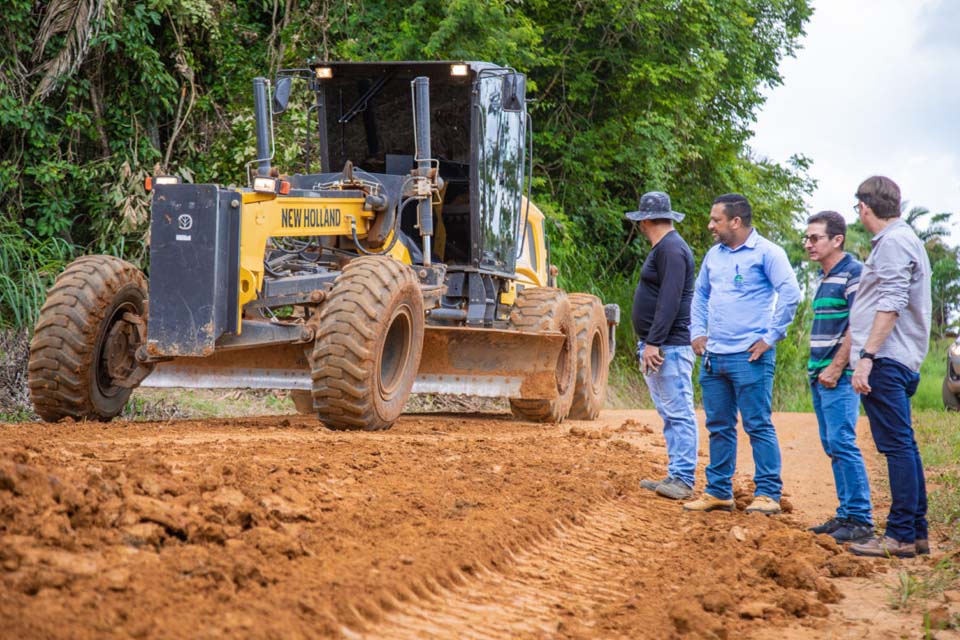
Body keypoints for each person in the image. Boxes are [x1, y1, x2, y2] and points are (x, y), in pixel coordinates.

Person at [683, 193, 801, 515]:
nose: (710, 225)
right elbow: (700, 295)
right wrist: (698, 332)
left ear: (736, 221)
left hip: (750, 357)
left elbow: (791, 293)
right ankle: (718, 491)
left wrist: (771, 337)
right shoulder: (714, 255)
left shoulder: (767, 253)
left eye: (715, 220)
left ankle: (768, 494)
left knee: (757, 424)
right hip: (714, 356)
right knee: (719, 426)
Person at [846, 176, 932, 559]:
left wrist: (867, 357)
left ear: (864, 207)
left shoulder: (894, 242)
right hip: (900, 356)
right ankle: (915, 532)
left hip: (886, 358)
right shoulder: (904, 239)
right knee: (905, 445)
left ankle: (899, 534)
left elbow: (892, 302)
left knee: (897, 446)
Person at [802, 211, 873, 542]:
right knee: (832, 444)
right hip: (819, 373)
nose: (808, 244)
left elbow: (857, 326)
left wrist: (835, 367)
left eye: (815, 238)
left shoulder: (853, 273)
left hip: (838, 374)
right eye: (807, 238)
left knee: (843, 442)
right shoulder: (824, 276)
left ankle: (860, 518)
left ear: (837, 239)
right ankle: (845, 514)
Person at [627, 191, 698, 500]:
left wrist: (654, 341)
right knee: (669, 412)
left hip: (669, 346)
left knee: (679, 411)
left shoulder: (671, 250)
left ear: (646, 221)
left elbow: (669, 300)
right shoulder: (665, 248)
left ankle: (683, 478)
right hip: (660, 345)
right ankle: (675, 473)